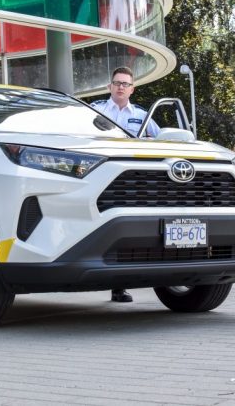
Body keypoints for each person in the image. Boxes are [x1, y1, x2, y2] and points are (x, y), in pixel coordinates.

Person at [92, 66, 159, 303]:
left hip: (132, 182)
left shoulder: (143, 116)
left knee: (128, 232)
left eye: (125, 84)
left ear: (132, 89)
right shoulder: (95, 111)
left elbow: (160, 141)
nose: (121, 87)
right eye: (117, 83)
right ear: (110, 86)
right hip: (101, 179)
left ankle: (119, 286)